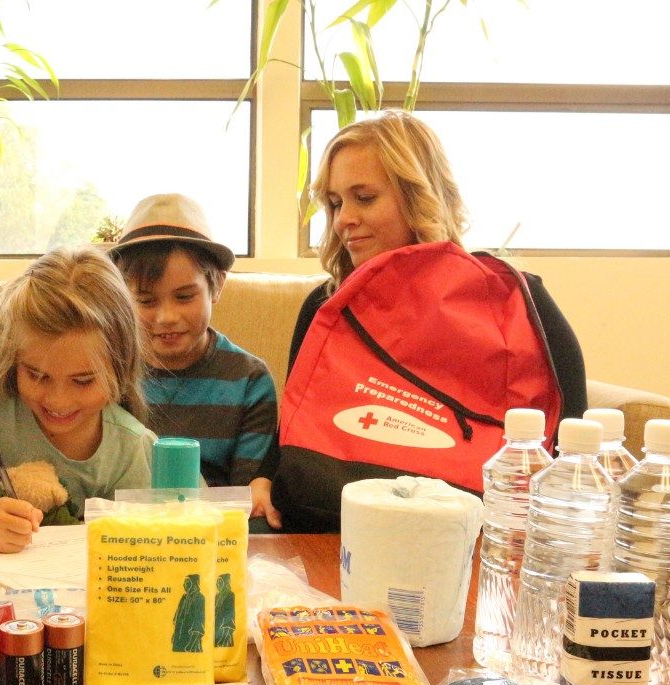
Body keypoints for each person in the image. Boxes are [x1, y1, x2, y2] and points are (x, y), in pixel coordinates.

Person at [276, 110, 586, 530]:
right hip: (329, 529)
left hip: (474, 542)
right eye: (334, 203)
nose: (343, 219)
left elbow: (573, 451)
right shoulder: (326, 305)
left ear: (418, 195)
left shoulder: (519, 303)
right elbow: (295, 431)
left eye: (364, 198)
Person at [0, 245, 156, 553]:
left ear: (121, 368)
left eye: (83, 381)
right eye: (37, 375)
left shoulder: (131, 450)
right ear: (12, 356)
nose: (58, 401)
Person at [109, 193, 282, 530]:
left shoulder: (249, 381)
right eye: (145, 300)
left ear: (216, 285)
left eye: (185, 296)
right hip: (124, 535)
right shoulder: (109, 371)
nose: (166, 317)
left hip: (211, 536)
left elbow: (245, 499)